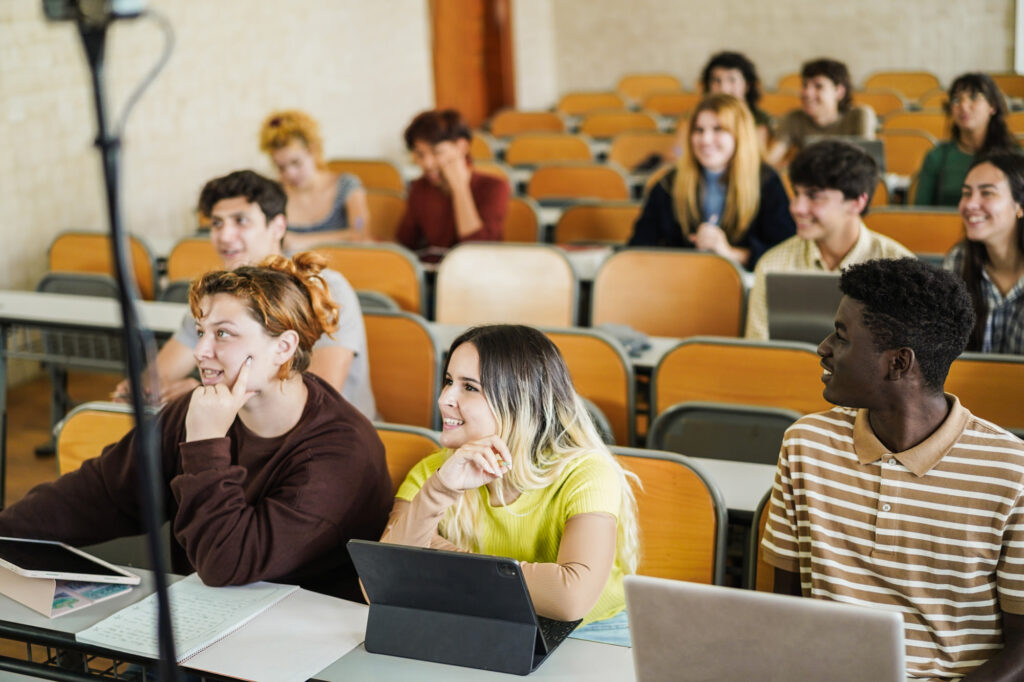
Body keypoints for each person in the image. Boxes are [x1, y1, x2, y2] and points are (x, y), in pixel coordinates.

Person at [1, 254, 393, 601]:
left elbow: (227, 565)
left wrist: (206, 442)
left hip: (300, 653)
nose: (200, 351)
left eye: (223, 333)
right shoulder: (197, 409)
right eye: (201, 331)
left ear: (284, 348)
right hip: (204, 625)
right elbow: (102, 492)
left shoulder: (340, 453)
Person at [762, 257, 1024, 681]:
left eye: (843, 338)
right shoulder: (805, 444)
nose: (823, 348)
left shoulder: (1011, 472)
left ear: (898, 363)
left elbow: (1022, 648)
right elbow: (784, 607)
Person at [381, 325, 639, 645]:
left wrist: (439, 559)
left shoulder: (586, 472)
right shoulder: (435, 473)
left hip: (589, 634)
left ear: (519, 400)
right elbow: (379, 585)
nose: (445, 398)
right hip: (485, 624)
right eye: (448, 382)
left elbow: (569, 597)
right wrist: (439, 491)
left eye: (469, 387)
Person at [114, 170, 376, 419]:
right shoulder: (219, 296)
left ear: (278, 226)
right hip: (250, 436)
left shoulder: (324, 288)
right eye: (217, 224)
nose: (225, 236)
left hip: (328, 441)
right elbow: (159, 375)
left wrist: (203, 394)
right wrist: (138, 393)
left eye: (241, 221)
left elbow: (320, 397)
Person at [745, 139, 913, 339]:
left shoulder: (900, 270)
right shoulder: (772, 265)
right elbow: (760, 353)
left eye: (814, 196)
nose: (796, 208)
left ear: (857, 202)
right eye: (797, 194)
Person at [628, 94, 795, 270]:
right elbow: (638, 247)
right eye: (699, 130)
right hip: (680, 284)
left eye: (718, 129)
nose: (706, 140)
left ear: (740, 135)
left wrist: (729, 252)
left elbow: (784, 255)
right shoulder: (668, 184)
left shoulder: (767, 182)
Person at [395, 109, 509, 258]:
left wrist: (460, 189)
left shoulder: (494, 187)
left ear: (462, 147)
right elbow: (406, 243)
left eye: (436, 152)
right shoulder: (420, 187)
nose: (427, 164)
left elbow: (478, 251)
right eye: (420, 155)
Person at [945, 150, 1024, 354]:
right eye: (966, 193)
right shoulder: (958, 260)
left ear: (1020, 206)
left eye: (987, 193)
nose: (970, 204)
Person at [259, 109, 369, 250]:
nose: (289, 174)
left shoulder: (347, 186)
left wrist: (299, 241)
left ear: (312, 151)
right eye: (281, 167)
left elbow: (360, 233)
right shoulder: (272, 193)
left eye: (296, 163)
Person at [915, 73, 1018, 207]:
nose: (963, 106)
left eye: (973, 97)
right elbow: (920, 213)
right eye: (956, 100)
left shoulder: (1013, 156)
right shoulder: (936, 156)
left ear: (992, 106)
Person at [766, 58, 877, 168]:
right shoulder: (793, 118)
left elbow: (866, 164)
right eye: (805, 85)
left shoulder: (859, 115)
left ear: (839, 91)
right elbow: (771, 160)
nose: (807, 93)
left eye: (818, 86)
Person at [701, 51, 772, 148]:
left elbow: (757, 153)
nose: (724, 88)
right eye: (717, 81)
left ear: (747, 85)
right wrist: (678, 153)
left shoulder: (759, 118)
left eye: (732, 80)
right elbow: (678, 151)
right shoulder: (697, 116)